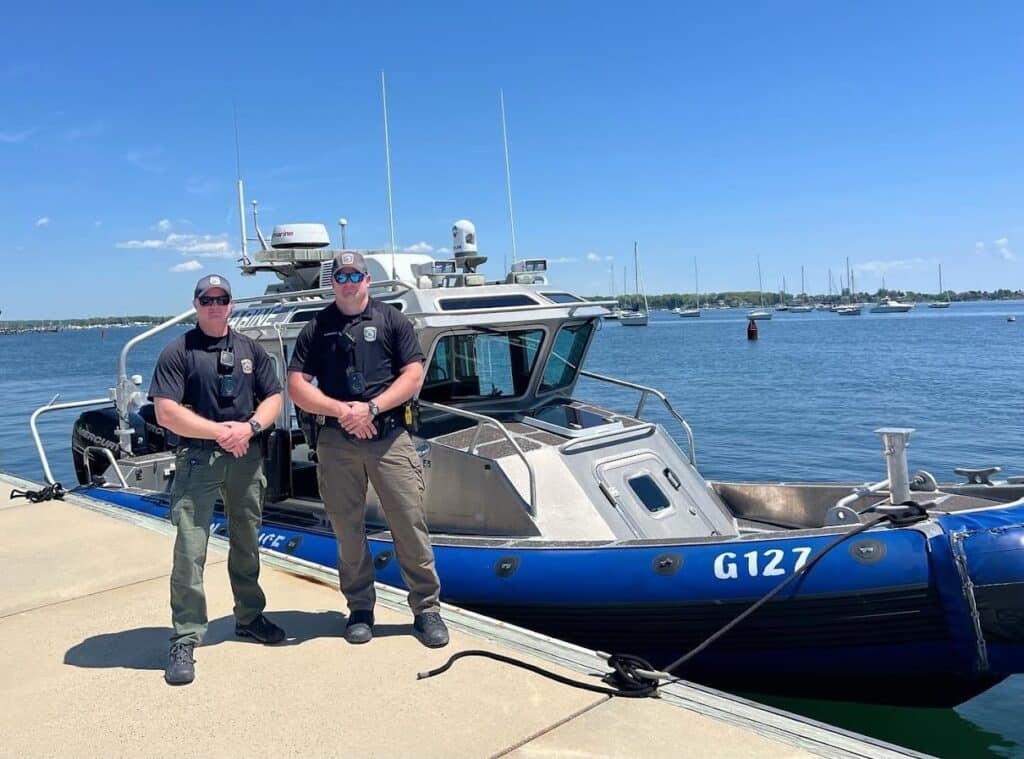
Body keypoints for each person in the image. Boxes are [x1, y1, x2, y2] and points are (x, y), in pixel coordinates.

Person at [287, 251, 448, 648]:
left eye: (355, 274)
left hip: (389, 436)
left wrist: (373, 407)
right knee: (347, 527)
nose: (348, 282)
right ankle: (359, 608)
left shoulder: (393, 320)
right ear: (332, 282)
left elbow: (413, 374)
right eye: (340, 276)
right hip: (337, 440)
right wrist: (343, 410)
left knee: (408, 521)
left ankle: (426, 608)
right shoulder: (316, 327)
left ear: (366, 280)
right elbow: (296, 385)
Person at [150, 274, 286, 685]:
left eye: (221, 298)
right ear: (196, 304)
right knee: (190, 548)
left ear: (231, 303)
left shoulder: (250, 349)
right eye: (206, 299)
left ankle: (248, 616)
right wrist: (223, 432)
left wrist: (250, 427)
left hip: (246, 457)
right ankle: (186, 635)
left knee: (248, 539)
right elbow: (165, 411)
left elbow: (275, 397)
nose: (214, 304)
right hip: (199, 459)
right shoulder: (178, 352)